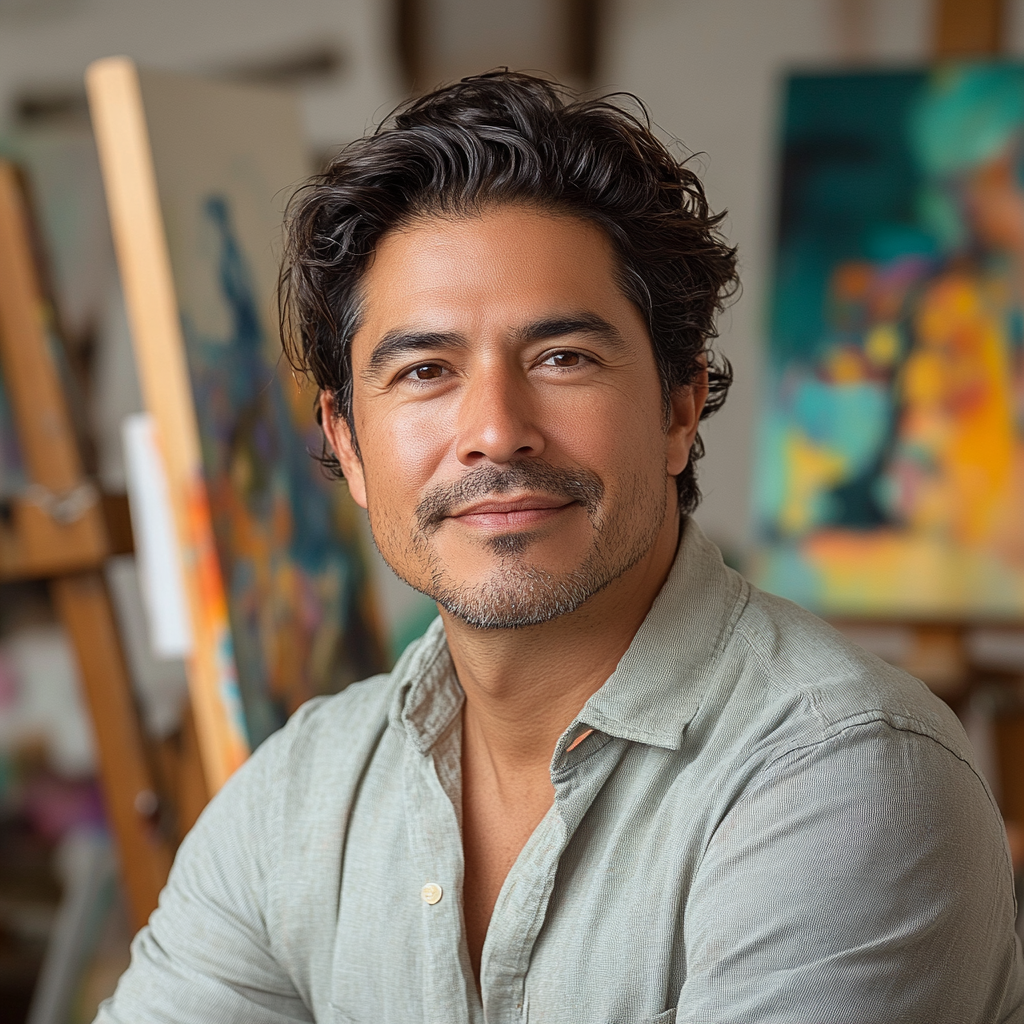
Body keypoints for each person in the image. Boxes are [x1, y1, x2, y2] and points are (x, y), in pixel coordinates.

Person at [96, 72, 1024, 1024]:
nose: (496, 431)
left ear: (677, 403)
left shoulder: (841, 774)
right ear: (347, 442)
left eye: (561, 358)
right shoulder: (298, 797)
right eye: (425, 370)